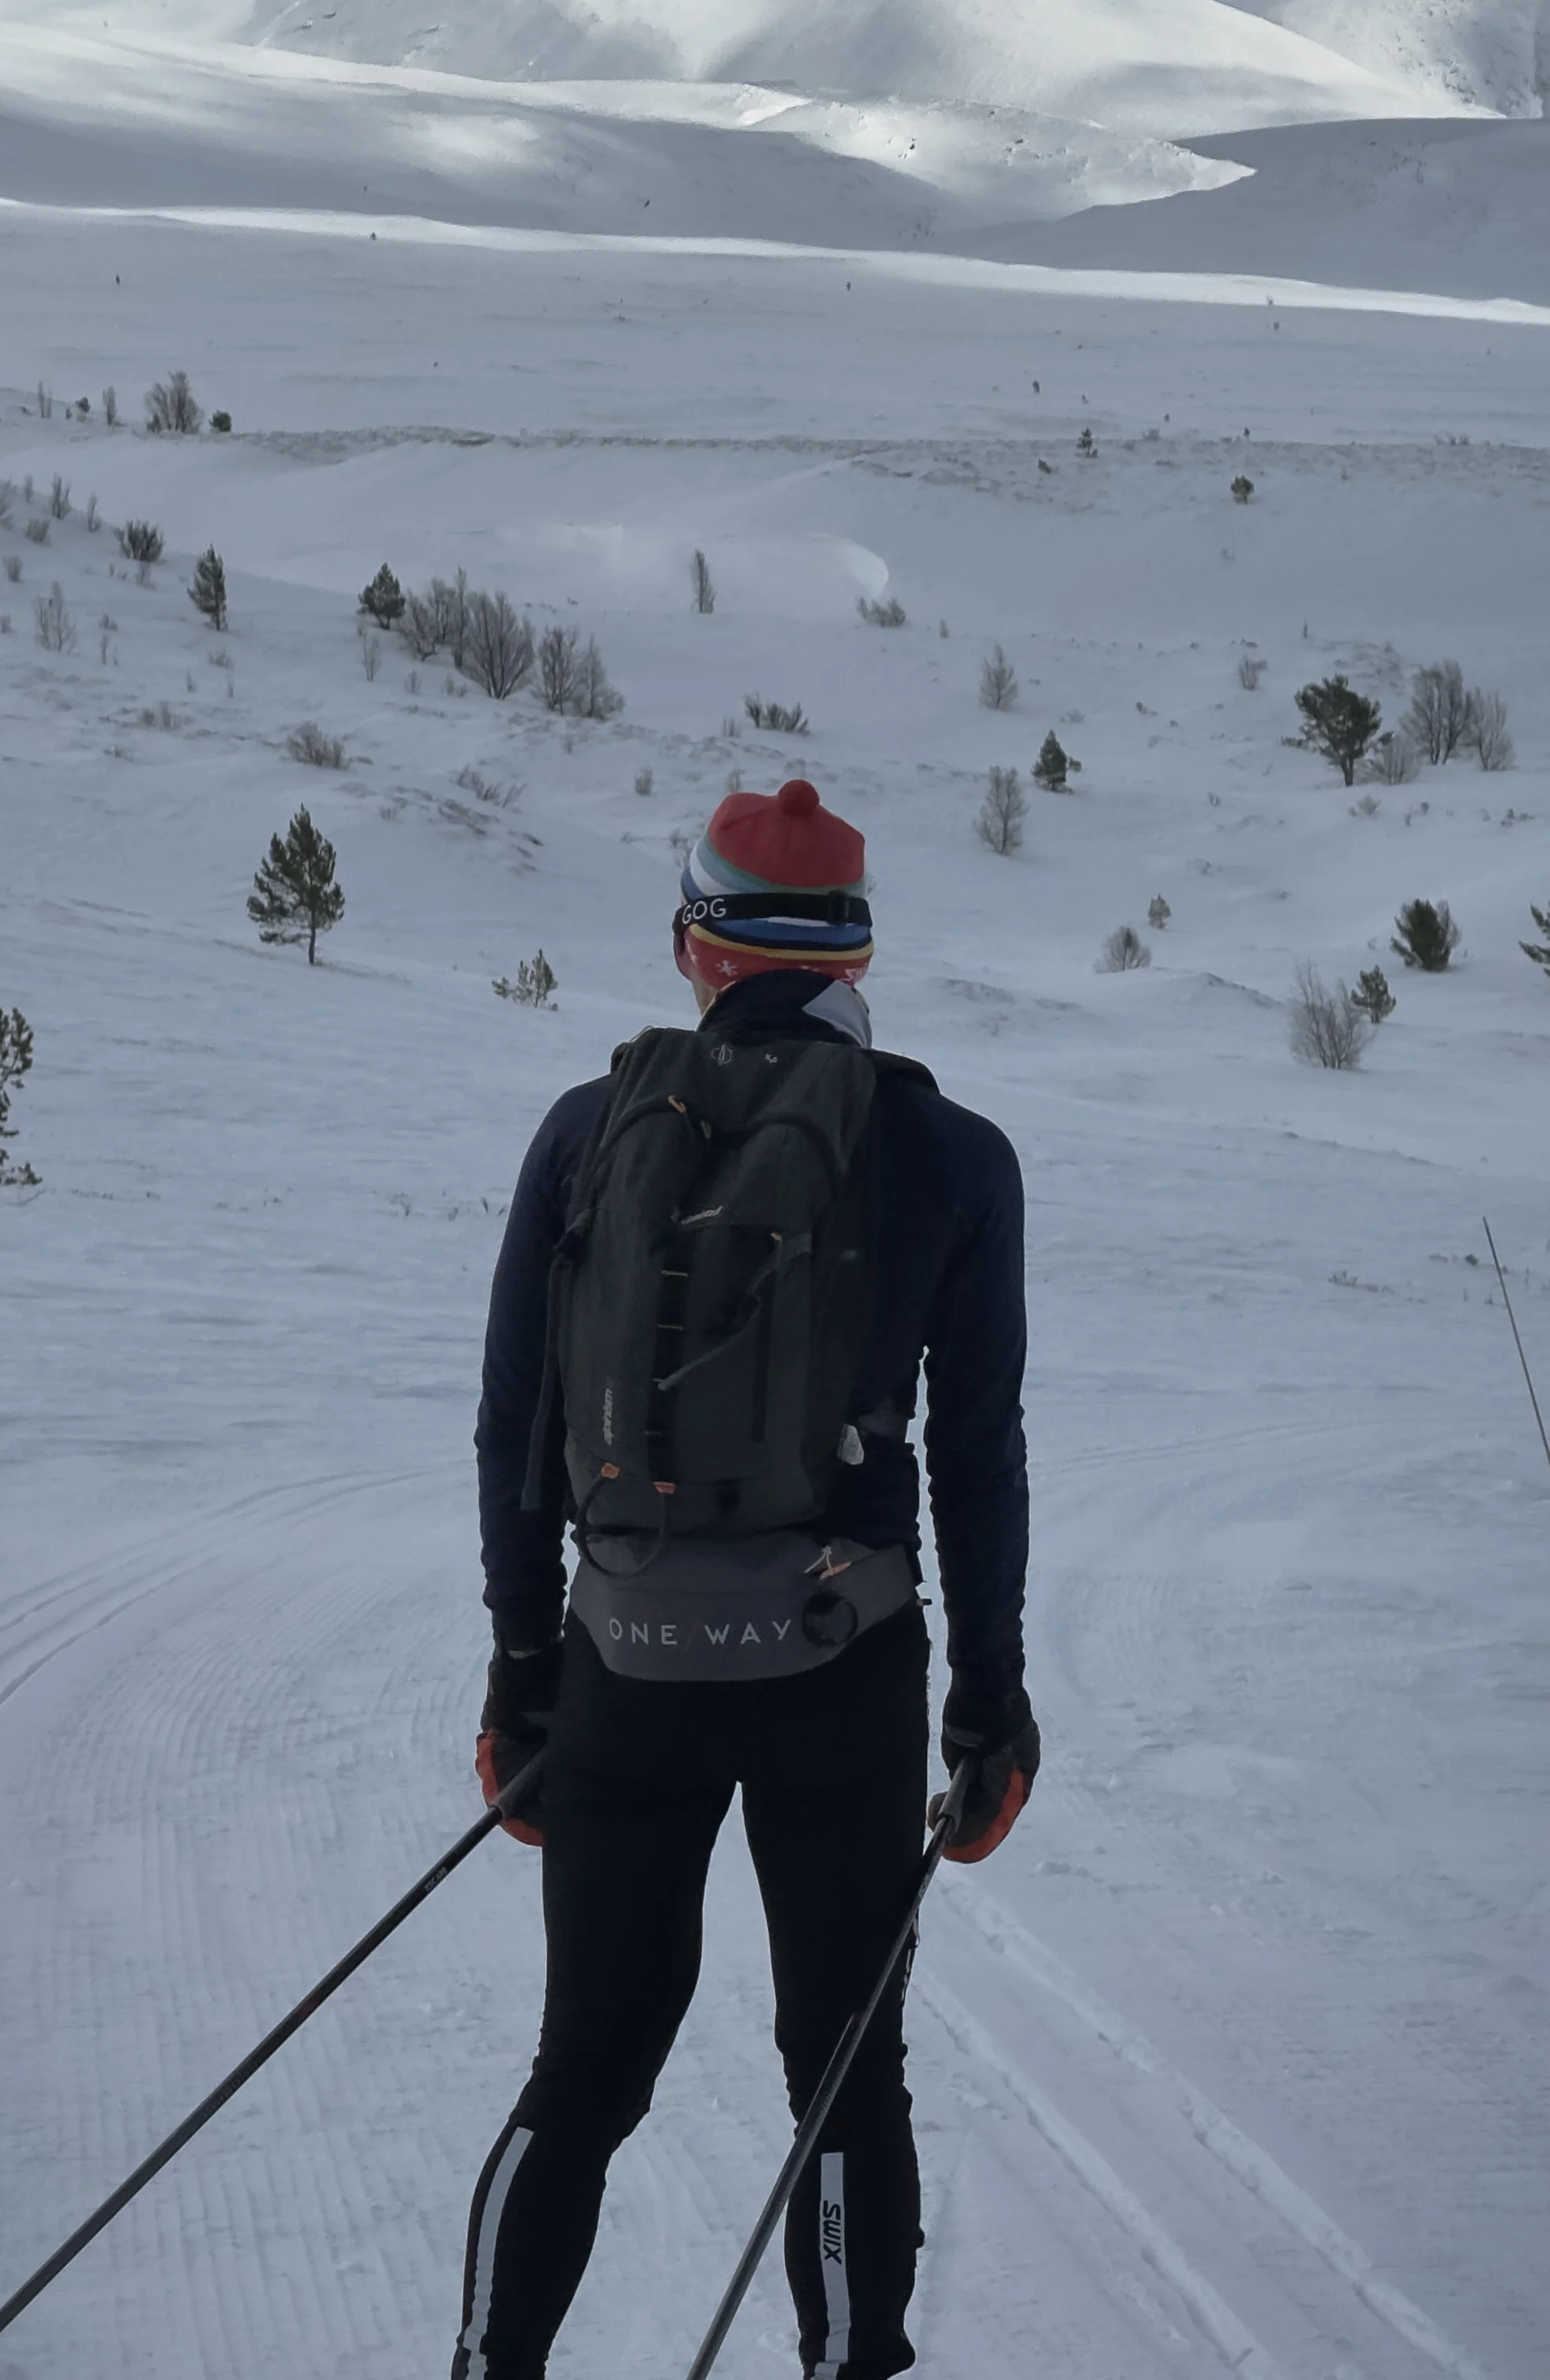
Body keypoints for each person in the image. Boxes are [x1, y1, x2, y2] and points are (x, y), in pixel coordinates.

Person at [455, 777, 1034, 2380]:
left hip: (624, 1666)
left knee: (582, 2071)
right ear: (858, 955)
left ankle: (491, 2365)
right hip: (842, 1676)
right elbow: (978, 1451)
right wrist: (990, 1706)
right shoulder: (953, 1156)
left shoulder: (587, 1132)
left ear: (695, 948)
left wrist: (524, 1677)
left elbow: (516, 1425)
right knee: (845, 2079)